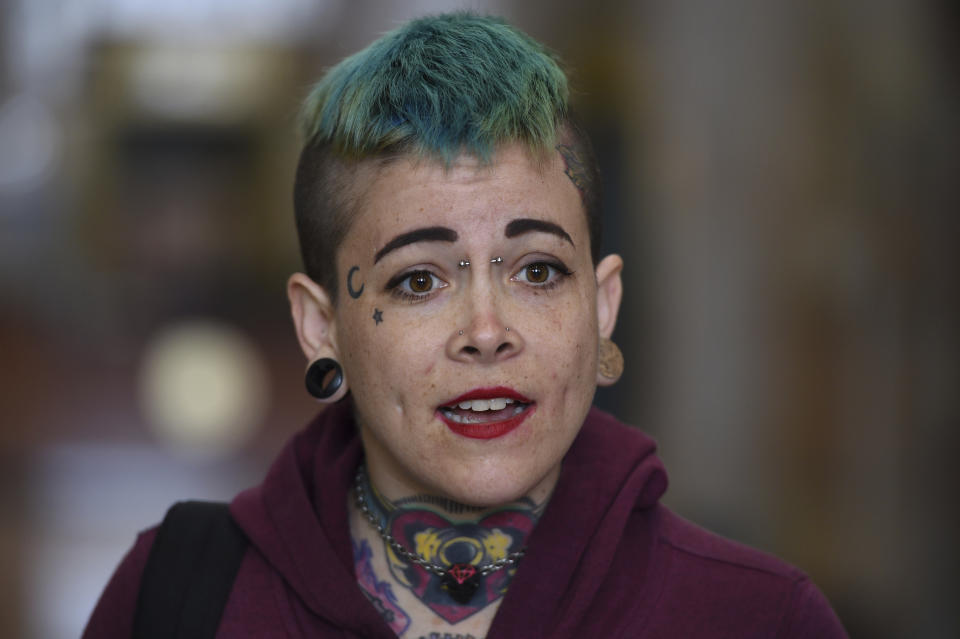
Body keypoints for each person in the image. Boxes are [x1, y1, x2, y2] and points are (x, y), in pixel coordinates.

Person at [83, 13, 848, 638]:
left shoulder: (753, 617)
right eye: (418, 280)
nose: (487, 330)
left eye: (538, 270)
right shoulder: (180, 599)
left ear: (602, 303)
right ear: (322, 326)